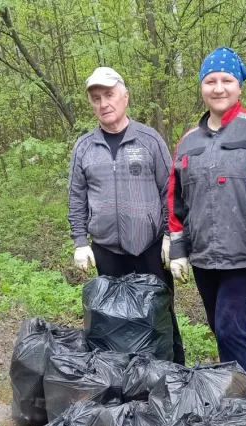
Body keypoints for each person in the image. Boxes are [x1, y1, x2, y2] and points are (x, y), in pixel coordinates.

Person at [168, 47, 246, 398]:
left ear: (239, 86)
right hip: (205, 258)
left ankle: (244, 412)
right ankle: (233, 405)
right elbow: (176, 198)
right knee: (221, 329)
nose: (218, 87)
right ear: (201, 87)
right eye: (210, 81)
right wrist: (177, 246)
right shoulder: (188, 141)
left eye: (227, 80)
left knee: (230, 328)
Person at [67, 66, 185, 364]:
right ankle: (121, 379)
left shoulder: (149, 140)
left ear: (125, 97)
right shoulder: (84, 147)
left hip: (149, 247)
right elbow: (76, 197)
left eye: (109, 95)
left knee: (158, 315)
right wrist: (80, 241)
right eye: (96, 98)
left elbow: (169, 191)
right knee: (112, 319)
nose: (103, 103)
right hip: (106, 250)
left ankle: (172, 374)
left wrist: (171, 237)